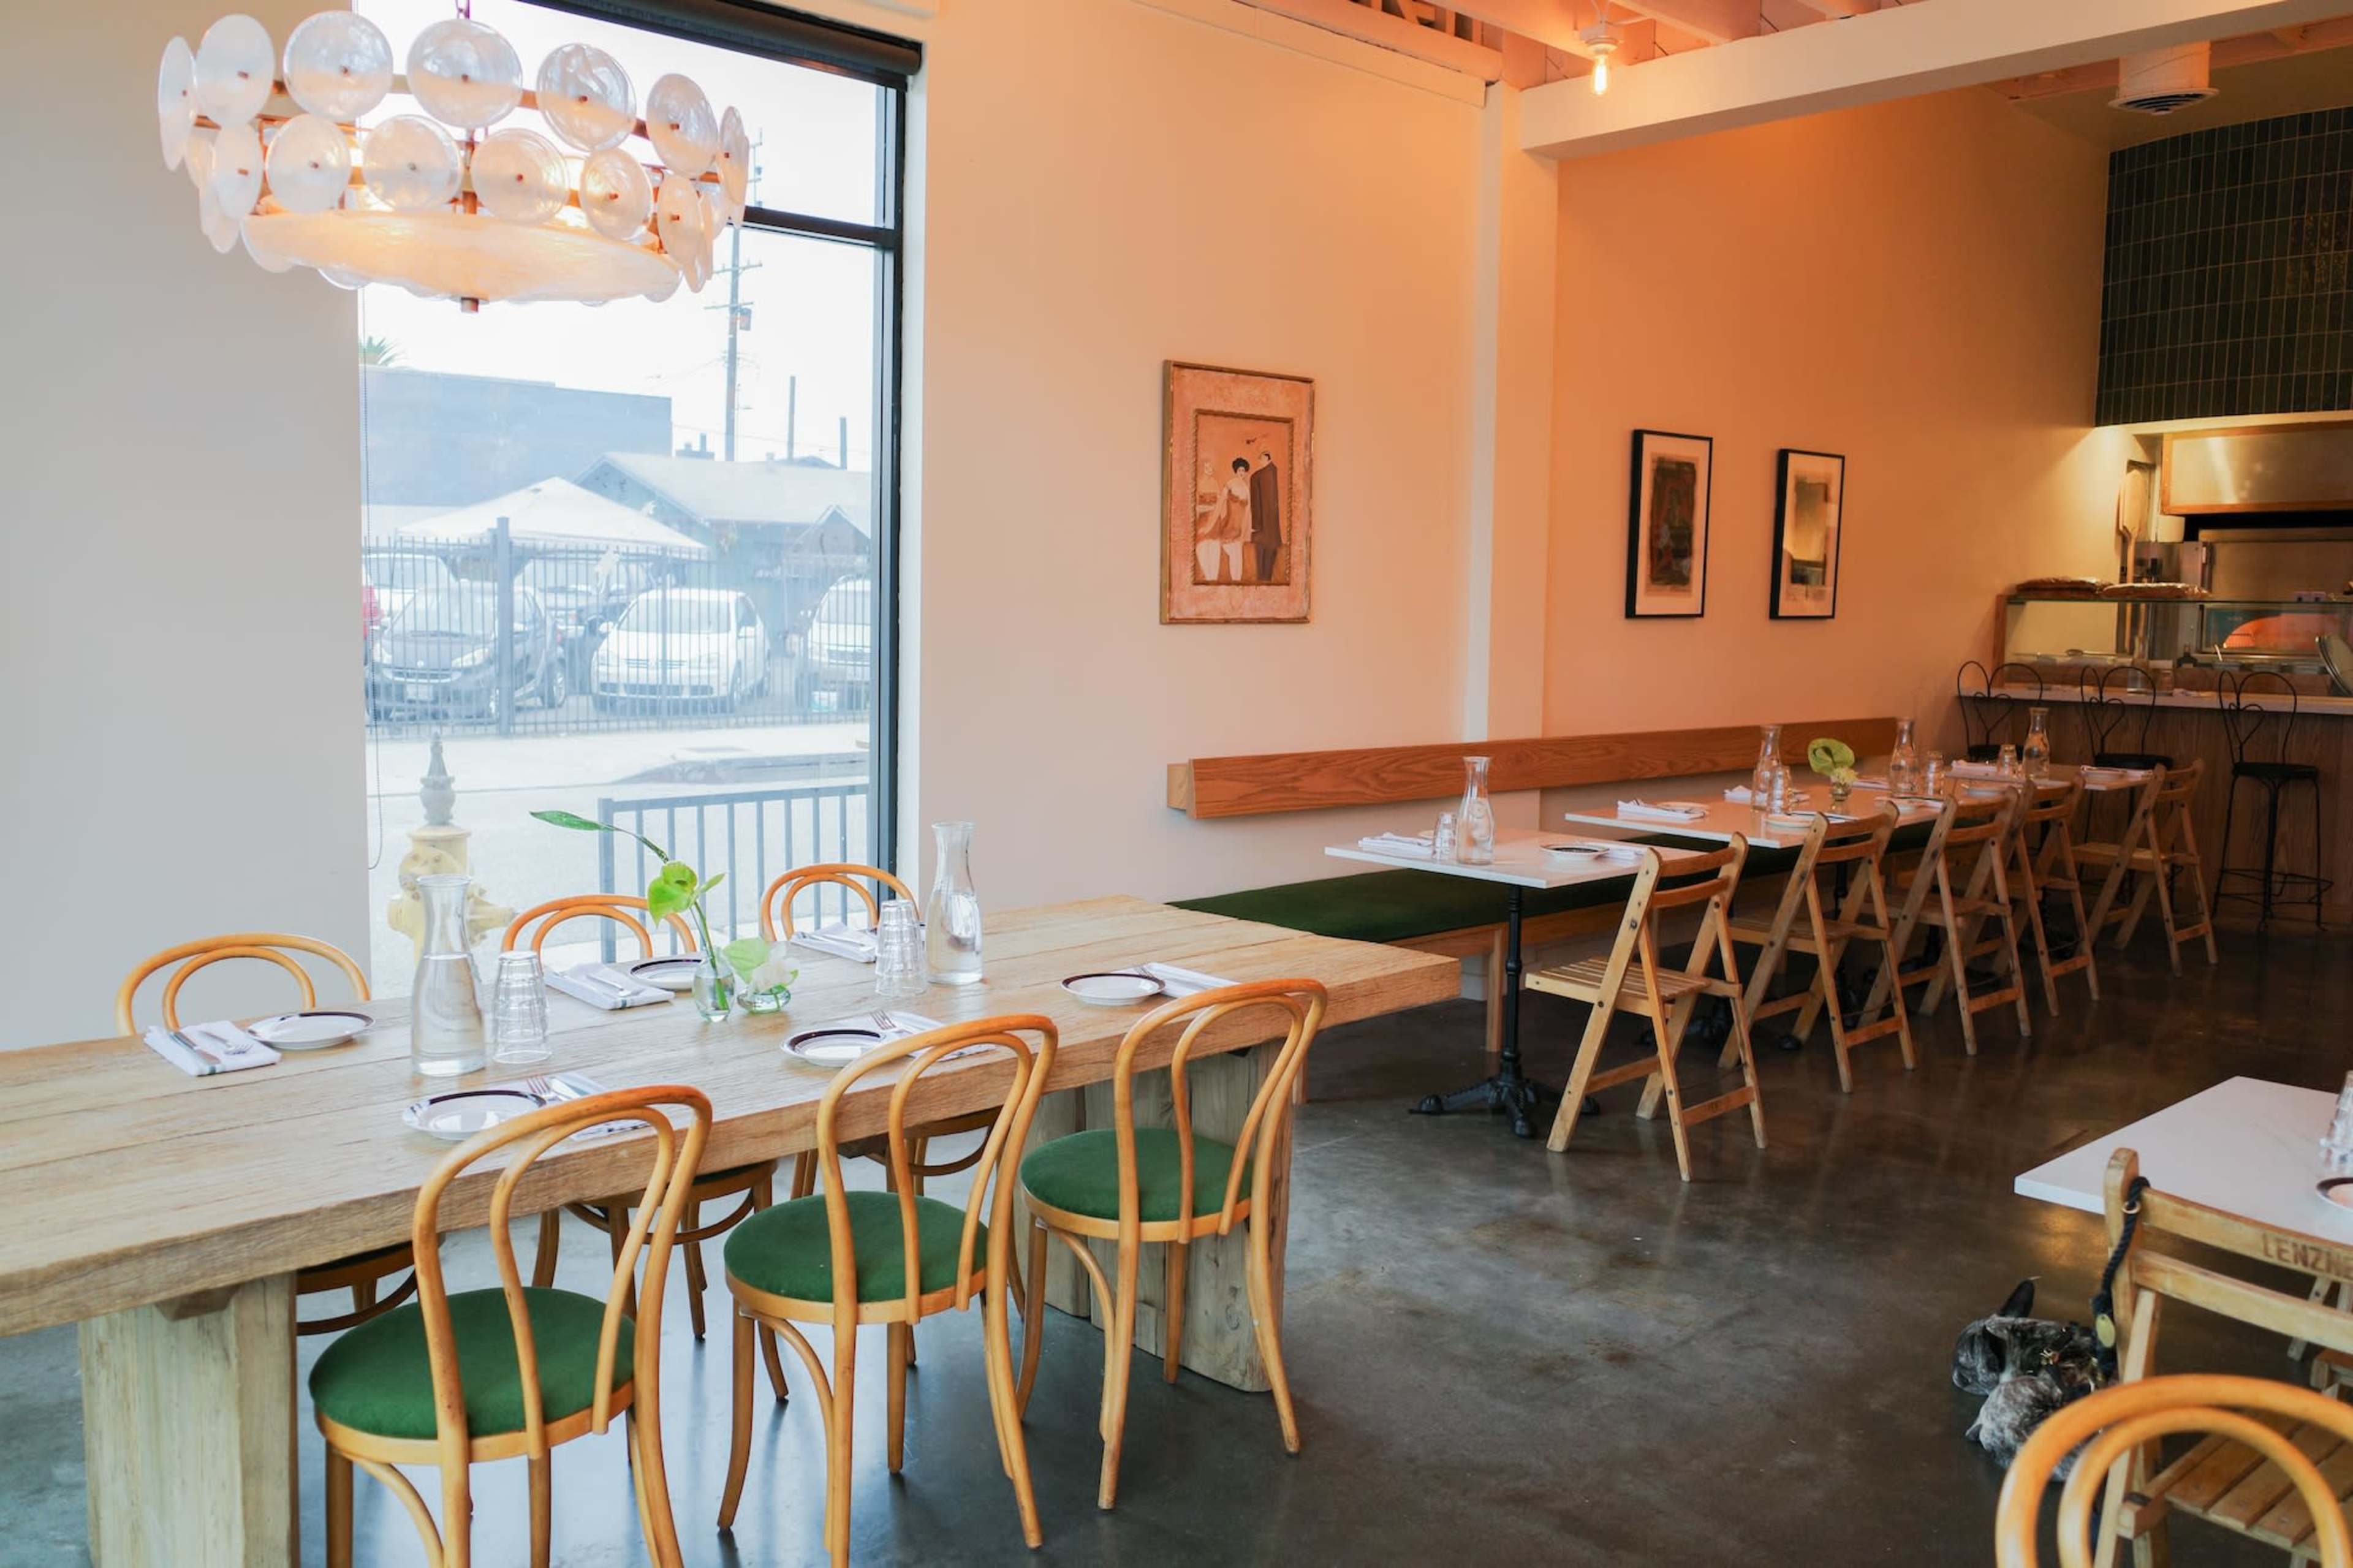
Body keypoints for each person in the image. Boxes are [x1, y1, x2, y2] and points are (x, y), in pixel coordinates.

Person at [1194, 456, 1251, 583]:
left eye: (1244, 470)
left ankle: (1236, 585)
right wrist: (1208, 527)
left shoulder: (1246, 489)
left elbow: (1248, 513)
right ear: (1236, 471)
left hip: (1239, 529)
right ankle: (1216, 581)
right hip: (1229, 526)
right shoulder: (1230, 485)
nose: (1242, 473)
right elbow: (1219, 507)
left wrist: (1245, 532)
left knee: (1238, 559)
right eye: (1239, 470)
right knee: (1231, 555)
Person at [1248, 447, 1283, 584]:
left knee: (1263, 556)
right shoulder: (1271, 472)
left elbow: (1256, 504)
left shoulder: (1257, 477)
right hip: (1270, 530)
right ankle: (1265, 581)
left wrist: (1256, 525)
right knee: (1269, 554)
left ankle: (1263, 581)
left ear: (1268, 459)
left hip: (1262, 528)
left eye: (1261, 459)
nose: (1260, 461)